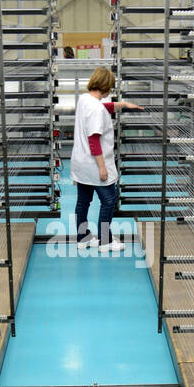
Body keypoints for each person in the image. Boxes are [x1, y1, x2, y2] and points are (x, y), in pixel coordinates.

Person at [71, 66, 141, 250]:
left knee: (83, 201)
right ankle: (105, 241)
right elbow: (94, 140)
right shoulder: (96, 109)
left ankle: (82, 238)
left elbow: (101, 107)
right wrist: (102, 168)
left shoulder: (84, 99)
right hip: (94, 164)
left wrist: (122, 105)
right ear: (106, 86)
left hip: (81, 163)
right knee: (109, 200)